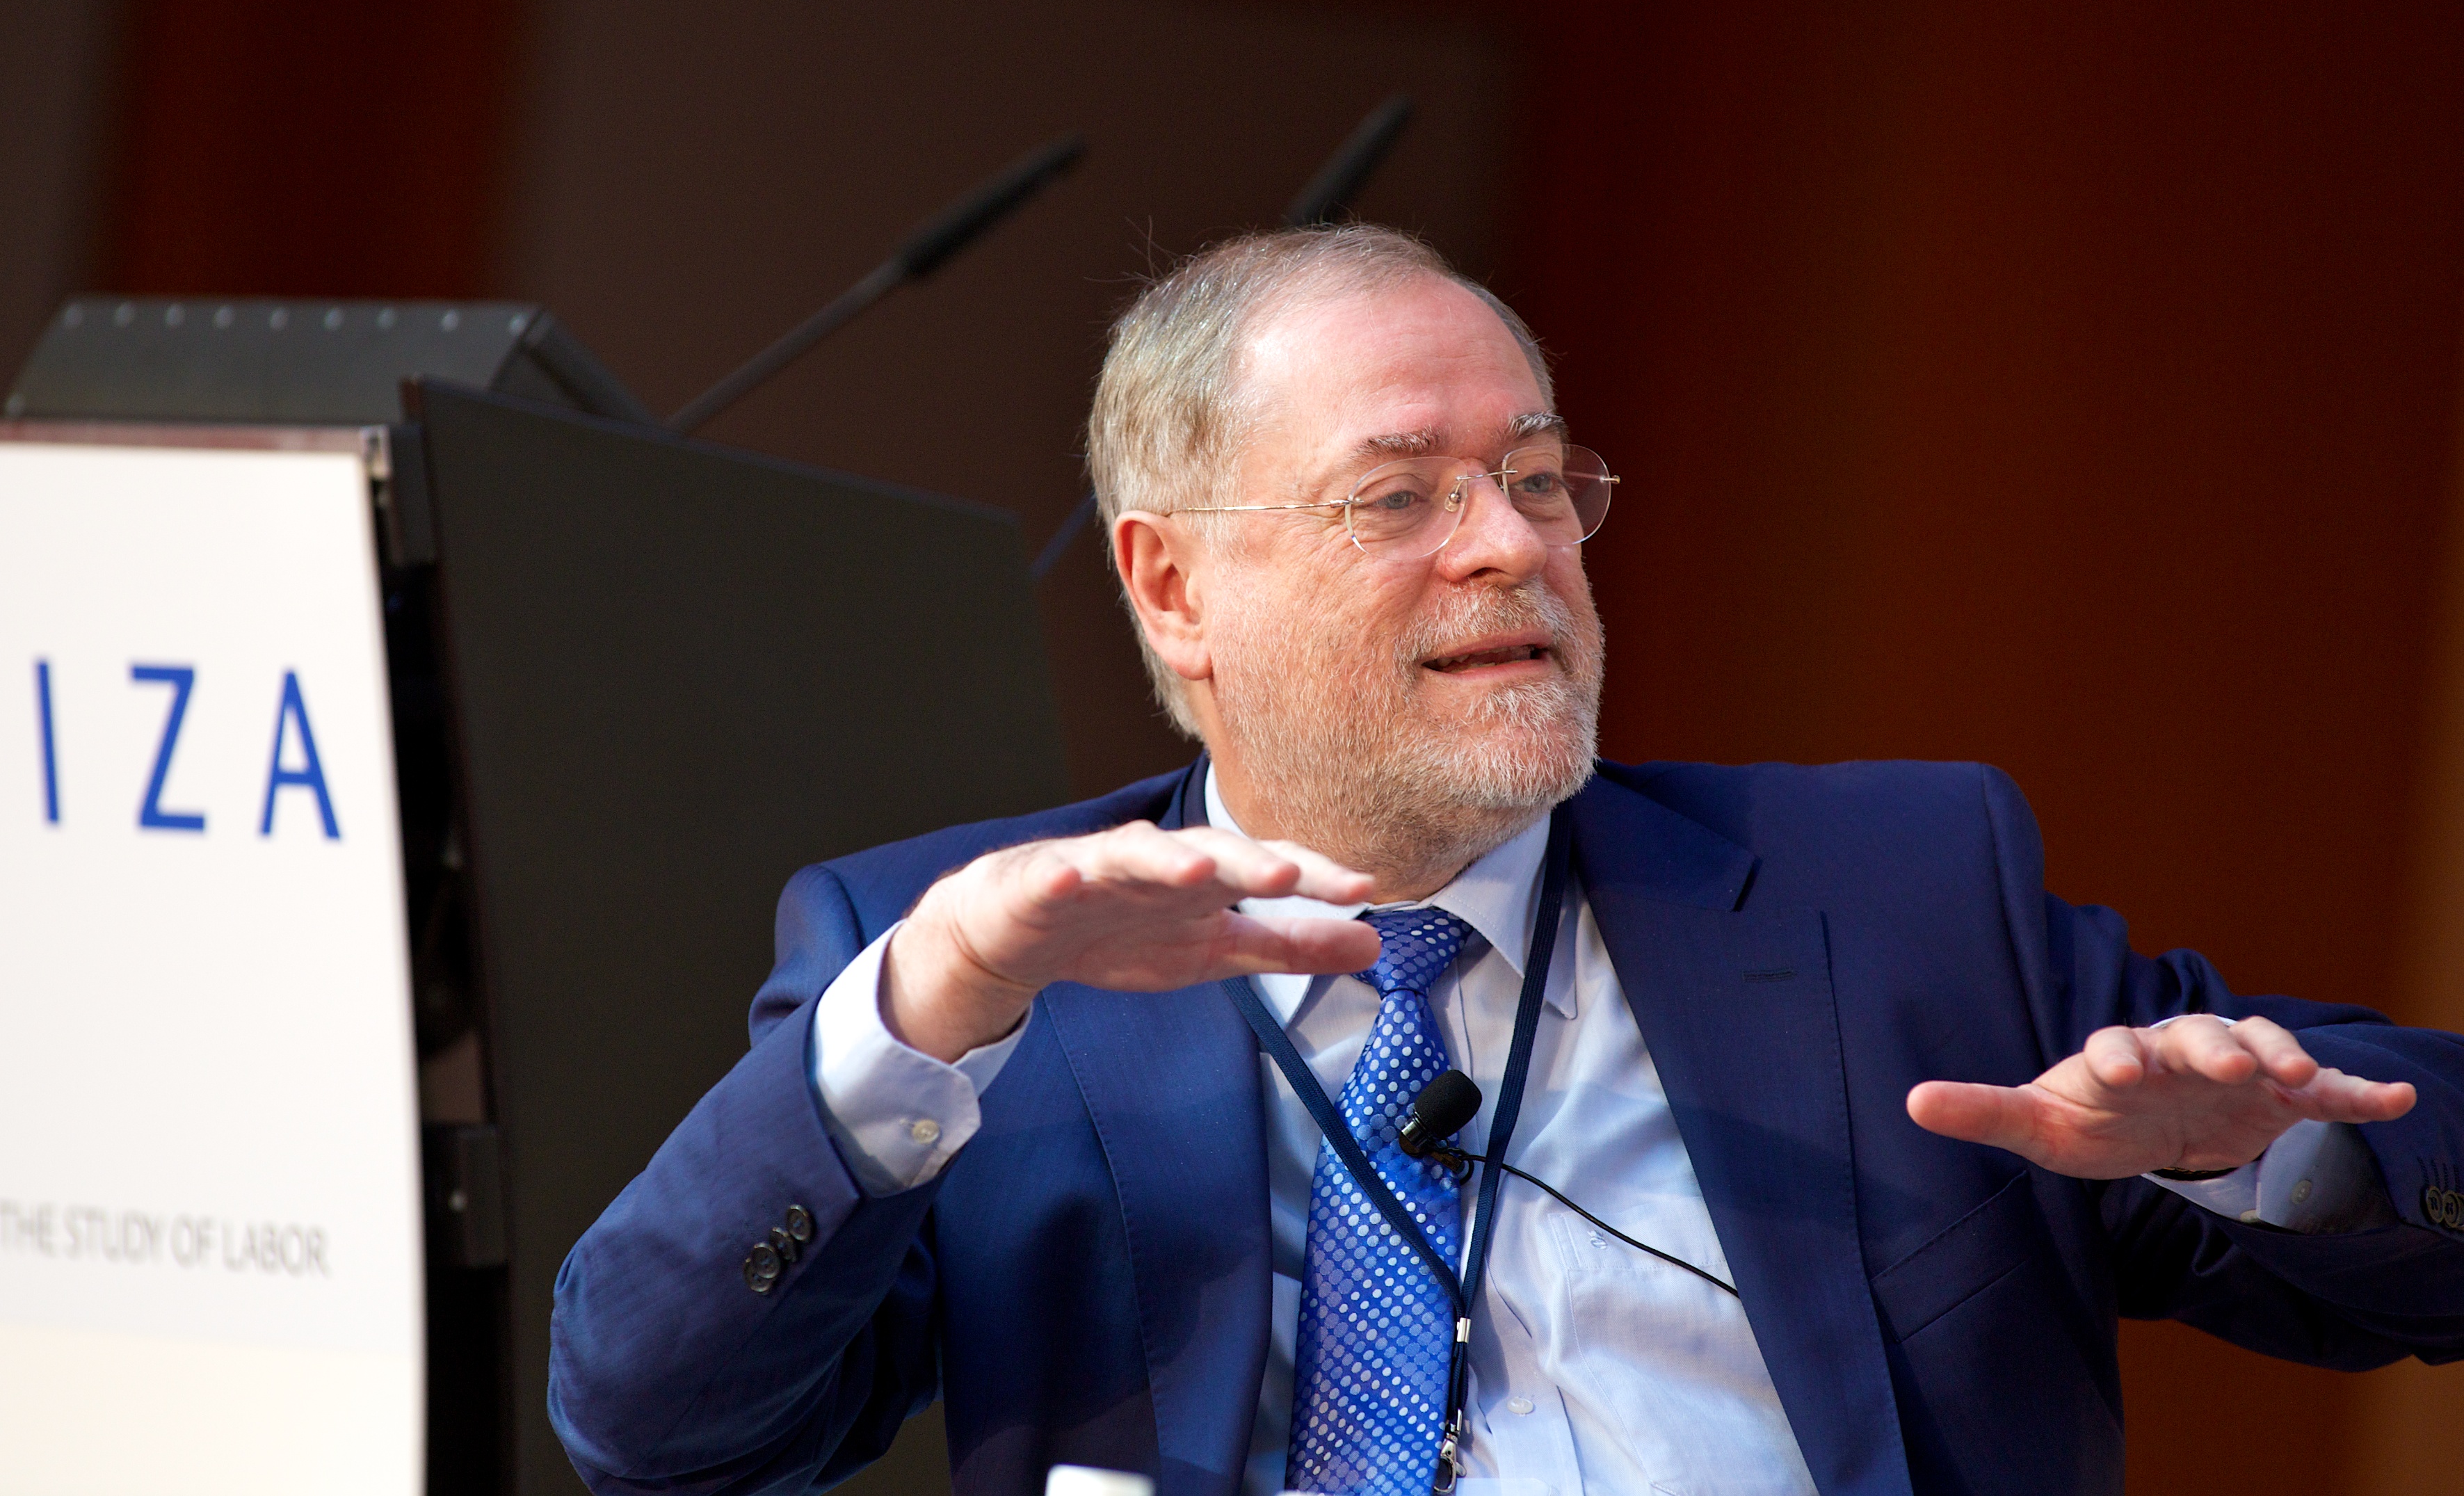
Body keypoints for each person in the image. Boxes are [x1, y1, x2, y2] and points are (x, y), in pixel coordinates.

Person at [548, 227, 2464, 1496]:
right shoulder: (978, 962)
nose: (1510, 545)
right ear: (1175, 584)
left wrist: (2269, 1153)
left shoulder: (1885, 898)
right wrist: (924, 1012)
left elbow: (2426, 1231)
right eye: (1401, 495)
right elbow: (658, 1430)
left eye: (1540, 479)